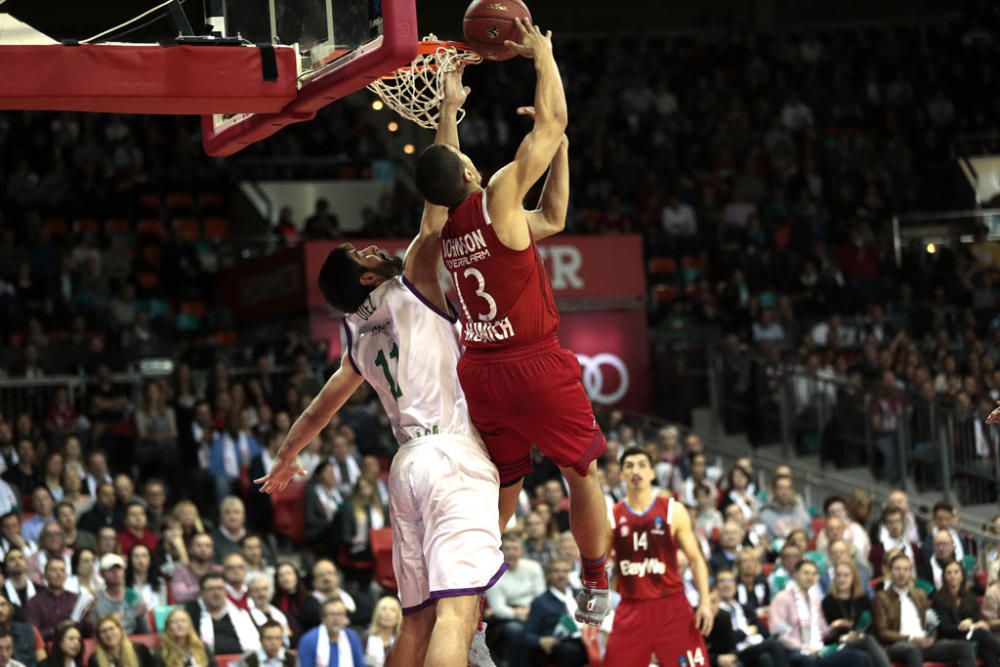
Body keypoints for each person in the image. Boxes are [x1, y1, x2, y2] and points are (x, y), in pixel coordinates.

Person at [257, 84, 505, 666]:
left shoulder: (354, 339)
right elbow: (440, 193)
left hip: (405, 468)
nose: (372, 249)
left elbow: (320, 409)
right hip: (448, 454)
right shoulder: (411, 279)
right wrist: (447, 111)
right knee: (458, 611)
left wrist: (288, 456)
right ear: (368, 280)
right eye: (363, 255)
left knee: (415, 623)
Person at [416, 18, 611, 626]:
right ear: (472, 175)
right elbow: (551, 124)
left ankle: (467, 595)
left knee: (502, 483)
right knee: (582, 472)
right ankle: (596, 584)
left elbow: (551, 217)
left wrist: (447, 108)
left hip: (481, 372)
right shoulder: (498, 193)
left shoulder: (437, 229)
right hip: (533, 362)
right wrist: (543, 56)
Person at [604, 447, 712, 665]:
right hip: (632, 607)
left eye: (642, 465)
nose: (636, 471)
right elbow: (597, 566)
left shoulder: (674, 510)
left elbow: (696, 559)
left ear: (652, 473)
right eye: (629, 466)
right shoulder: (612, 517)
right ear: (622, 474)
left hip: (671, 605)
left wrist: (705, 602)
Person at [872, 553, 976, 667]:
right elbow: (882, 632)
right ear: (890, 572)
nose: (902, 573)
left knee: (963, 647)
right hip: (898, 645)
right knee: (912, 650)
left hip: (923, 642)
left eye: (906, 569)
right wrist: (911, 639)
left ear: (910, 572)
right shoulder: (881, 597)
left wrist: (931, 637)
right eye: (897, 569)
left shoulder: (920, 595)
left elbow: (931, 622)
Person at [769, 560, 870, 666]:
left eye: (813, 574)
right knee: (808, 660)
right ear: (796, 574)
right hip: (793, 652)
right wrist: (803, 648)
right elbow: (779, 635)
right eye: (806, 573)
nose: (810, 577)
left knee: (858, 657)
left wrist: (834, 627)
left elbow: (822, 632)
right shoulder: (782, 598)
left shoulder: (815, 601)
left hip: (817, 650)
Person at [930, 560, 1000, 666]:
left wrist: (971, 623)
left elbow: (976, 618)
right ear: (944, 577)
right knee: (983, 634)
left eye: (956, 572)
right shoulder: (938, 599)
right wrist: (963, 626)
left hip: (969, 636)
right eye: (949, 573)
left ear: (962, 575)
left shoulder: (970, 597)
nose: (952, 576)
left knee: (988, 651)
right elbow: (944, 628)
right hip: (949, 638)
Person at [821, 561, 890, 667]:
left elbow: (871, 626)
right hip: (839, 644)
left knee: (867, 650)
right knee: (868, 643)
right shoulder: (828, 602)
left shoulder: (863, 599)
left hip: (862, 641)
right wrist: (843, 637)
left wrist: (861, 634)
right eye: (838, 575)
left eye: (846, 575)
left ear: (853, 578)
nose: (841, 579)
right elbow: (826, 633)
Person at [714, 571, 788, 667]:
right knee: (774, 645)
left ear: (735, 586)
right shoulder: (717, 613)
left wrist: (744, 633)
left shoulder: (744, 608)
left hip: (755, 646)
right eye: (722, 581)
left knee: (765, 658)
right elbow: (729, 640)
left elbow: (763, 632)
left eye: (730, 581)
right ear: (716, 587)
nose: (727, 585)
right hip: (736, 651)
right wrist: (748, 631)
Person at [183, 572, 260, 656]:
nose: (216, 593)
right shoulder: (189, 614)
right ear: (202, 592)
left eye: (220, 588)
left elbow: (254, 646)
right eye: (211, 589)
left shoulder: (240, 613)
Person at [26, 559, 93, 642]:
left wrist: (89, 614)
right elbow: (33, 634)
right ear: (45, 575)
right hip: (47, 648)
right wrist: (58, 629)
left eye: (62, 570)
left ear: (66, 575)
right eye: (54, 570)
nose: (58, 573)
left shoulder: (75, 599)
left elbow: (88, 632)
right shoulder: (35, 602)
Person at [92, 553, 148, 635]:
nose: (115, 572)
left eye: (119, 568)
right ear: (102, 574)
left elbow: (145, 632)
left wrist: (140, 618)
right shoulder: (96, 599)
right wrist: (109, 621)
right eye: (110, 569)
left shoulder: (134, 596)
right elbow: (92, 631)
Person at [296, 600, 363, 667]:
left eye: (340, 614)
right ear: (323, 618)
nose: (336, 619)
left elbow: (360, 664)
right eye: (332, 614)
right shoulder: (309, 640)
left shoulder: (352, 637)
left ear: (345, 618)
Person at [87, 615, 159, 667]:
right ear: (99, 637)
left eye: (111, 629)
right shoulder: (94, 660)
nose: (108, 634)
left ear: (120, 630)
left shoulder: (140, 650)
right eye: (103, 631)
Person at [0, 597, 41, 667]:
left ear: (10, 607)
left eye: (3, 604)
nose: (0, 610)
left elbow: (42, 660)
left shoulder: (30, 630)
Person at [363, 597, 402, 667]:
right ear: (377, 614)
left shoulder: (401, 641)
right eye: (383, 609)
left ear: (398, 617)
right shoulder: (366, 637)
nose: (387, 614)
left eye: (392, 610)